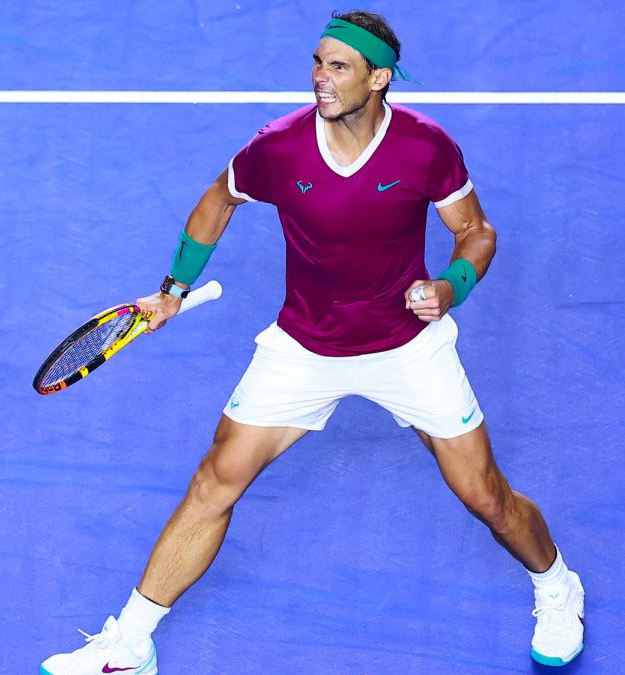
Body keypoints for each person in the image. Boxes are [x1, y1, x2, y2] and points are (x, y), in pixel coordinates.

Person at [40, 10, 585, 673]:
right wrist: (172, 289)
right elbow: (218, 201)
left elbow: (477, 232)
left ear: (379, 79)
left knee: (486, 497)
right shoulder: (278, 147)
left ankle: (556, 586)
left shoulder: (425, 147)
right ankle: (130, 641)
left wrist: (449, 288)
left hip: (407, 347)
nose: (320, 79)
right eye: (318, 63)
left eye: (339, 67)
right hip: (304, 348)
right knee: (215, 482)